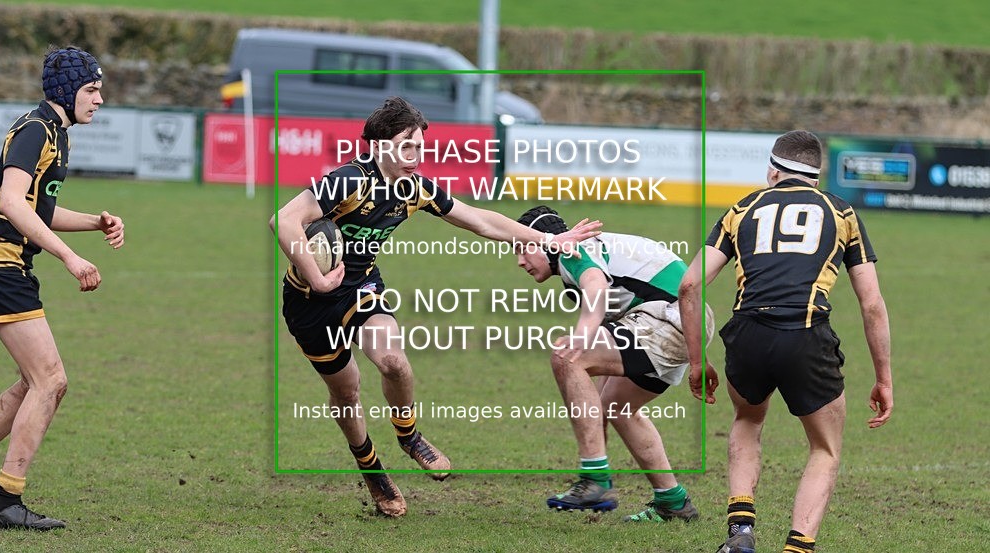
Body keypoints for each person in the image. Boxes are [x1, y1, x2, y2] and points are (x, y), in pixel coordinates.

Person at [270, 97, 600, 518]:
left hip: (361, 290)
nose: (415, 157)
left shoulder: (414, 189)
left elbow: (479, 219)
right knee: (346, 391)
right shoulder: (348, 180)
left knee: (393, 361)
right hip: (308, 303)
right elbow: (283, 220)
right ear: (377, 146)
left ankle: (409, 437)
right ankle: (373, 471)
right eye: (406, 147)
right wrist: (316, 277)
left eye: (420, 148)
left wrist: (550, 241)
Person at [678, 130, 893, 553]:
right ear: (815, 175)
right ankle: (797, 547)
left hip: (748, 334)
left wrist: (697, 362)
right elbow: (871, 305)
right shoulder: (842, 212)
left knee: (747, 420)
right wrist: (884, 377)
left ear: (773, 171)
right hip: (807, 335)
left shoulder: (741, 208)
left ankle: (740, 532)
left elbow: (688, 287)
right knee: (825, 449)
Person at [0, 45, 125, 530]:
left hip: (7, 265)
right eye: (92, 90)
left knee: (35, 382)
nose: (99, 99)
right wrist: (69, 256)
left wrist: (95, 221)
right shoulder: (35, 130)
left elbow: (37, 209)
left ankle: (2, 499)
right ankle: (5, 501)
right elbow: (9, 201)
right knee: (51, 381)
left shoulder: (54, 132)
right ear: (67, 92)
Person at [513, 205, 715, 522]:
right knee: (616, 407)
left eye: (523, 250)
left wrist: (582, 336)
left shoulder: (572, 253)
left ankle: (595, 478)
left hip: (668, 320)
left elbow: (597, 287)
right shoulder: (581, 255)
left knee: (567, 356)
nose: (520, 261)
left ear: (547, 243)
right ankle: (673, 503)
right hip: (679, 321)